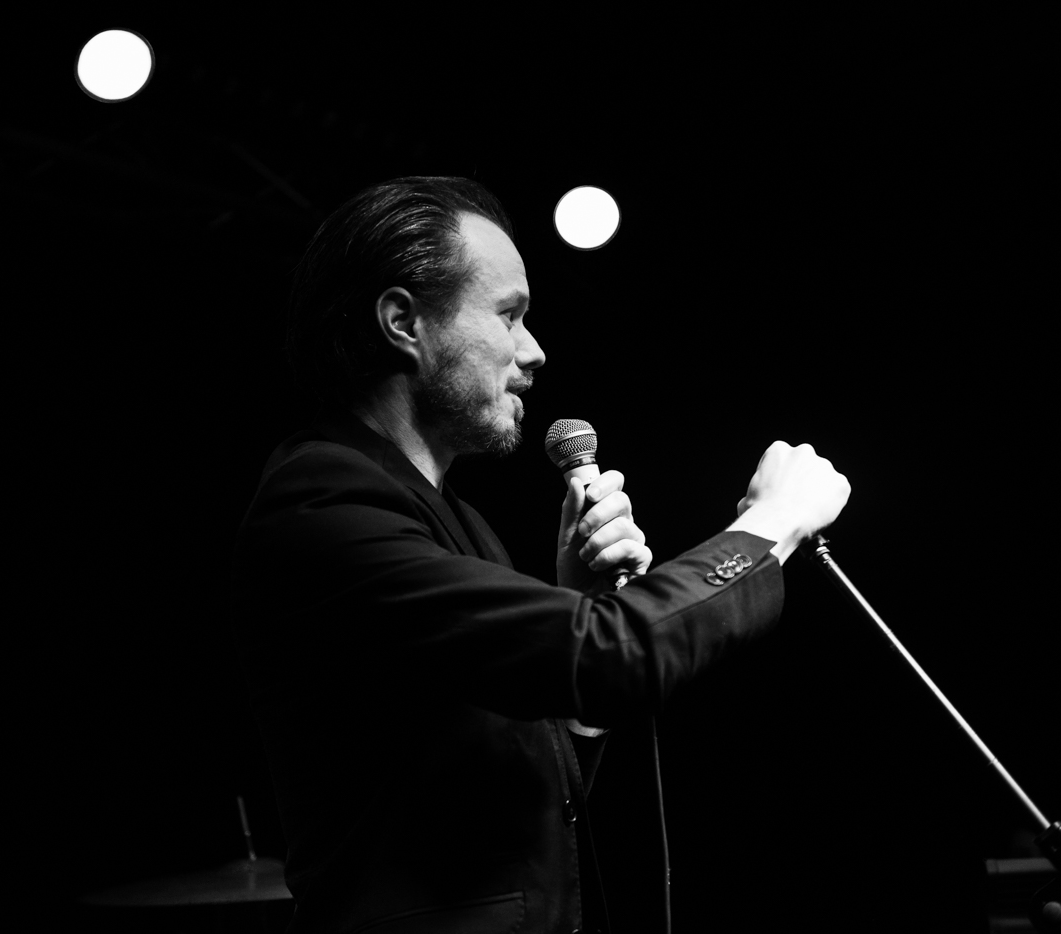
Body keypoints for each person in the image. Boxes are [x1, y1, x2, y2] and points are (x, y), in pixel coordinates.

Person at [231, 176, 850, 934]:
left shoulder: (459, 523)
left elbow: (525, 805)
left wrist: (581, 622)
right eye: (509, 315)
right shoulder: (321, 503)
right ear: (402, 322)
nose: (534, 351)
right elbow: (611, 654)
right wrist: (770, 527)